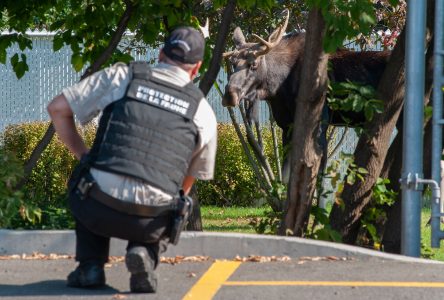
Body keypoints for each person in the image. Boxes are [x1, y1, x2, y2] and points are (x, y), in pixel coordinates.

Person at [47, 26, 217, 293]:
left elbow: (57, 109)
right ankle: (145, 253)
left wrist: (84, 156)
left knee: (86, 172)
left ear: (160, 54)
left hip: (98, 207)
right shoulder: (203, 112)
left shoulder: (122, 76)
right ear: (196, 69)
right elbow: (192, 176)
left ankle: (90, 267)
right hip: (152, 220)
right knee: (179, 199)